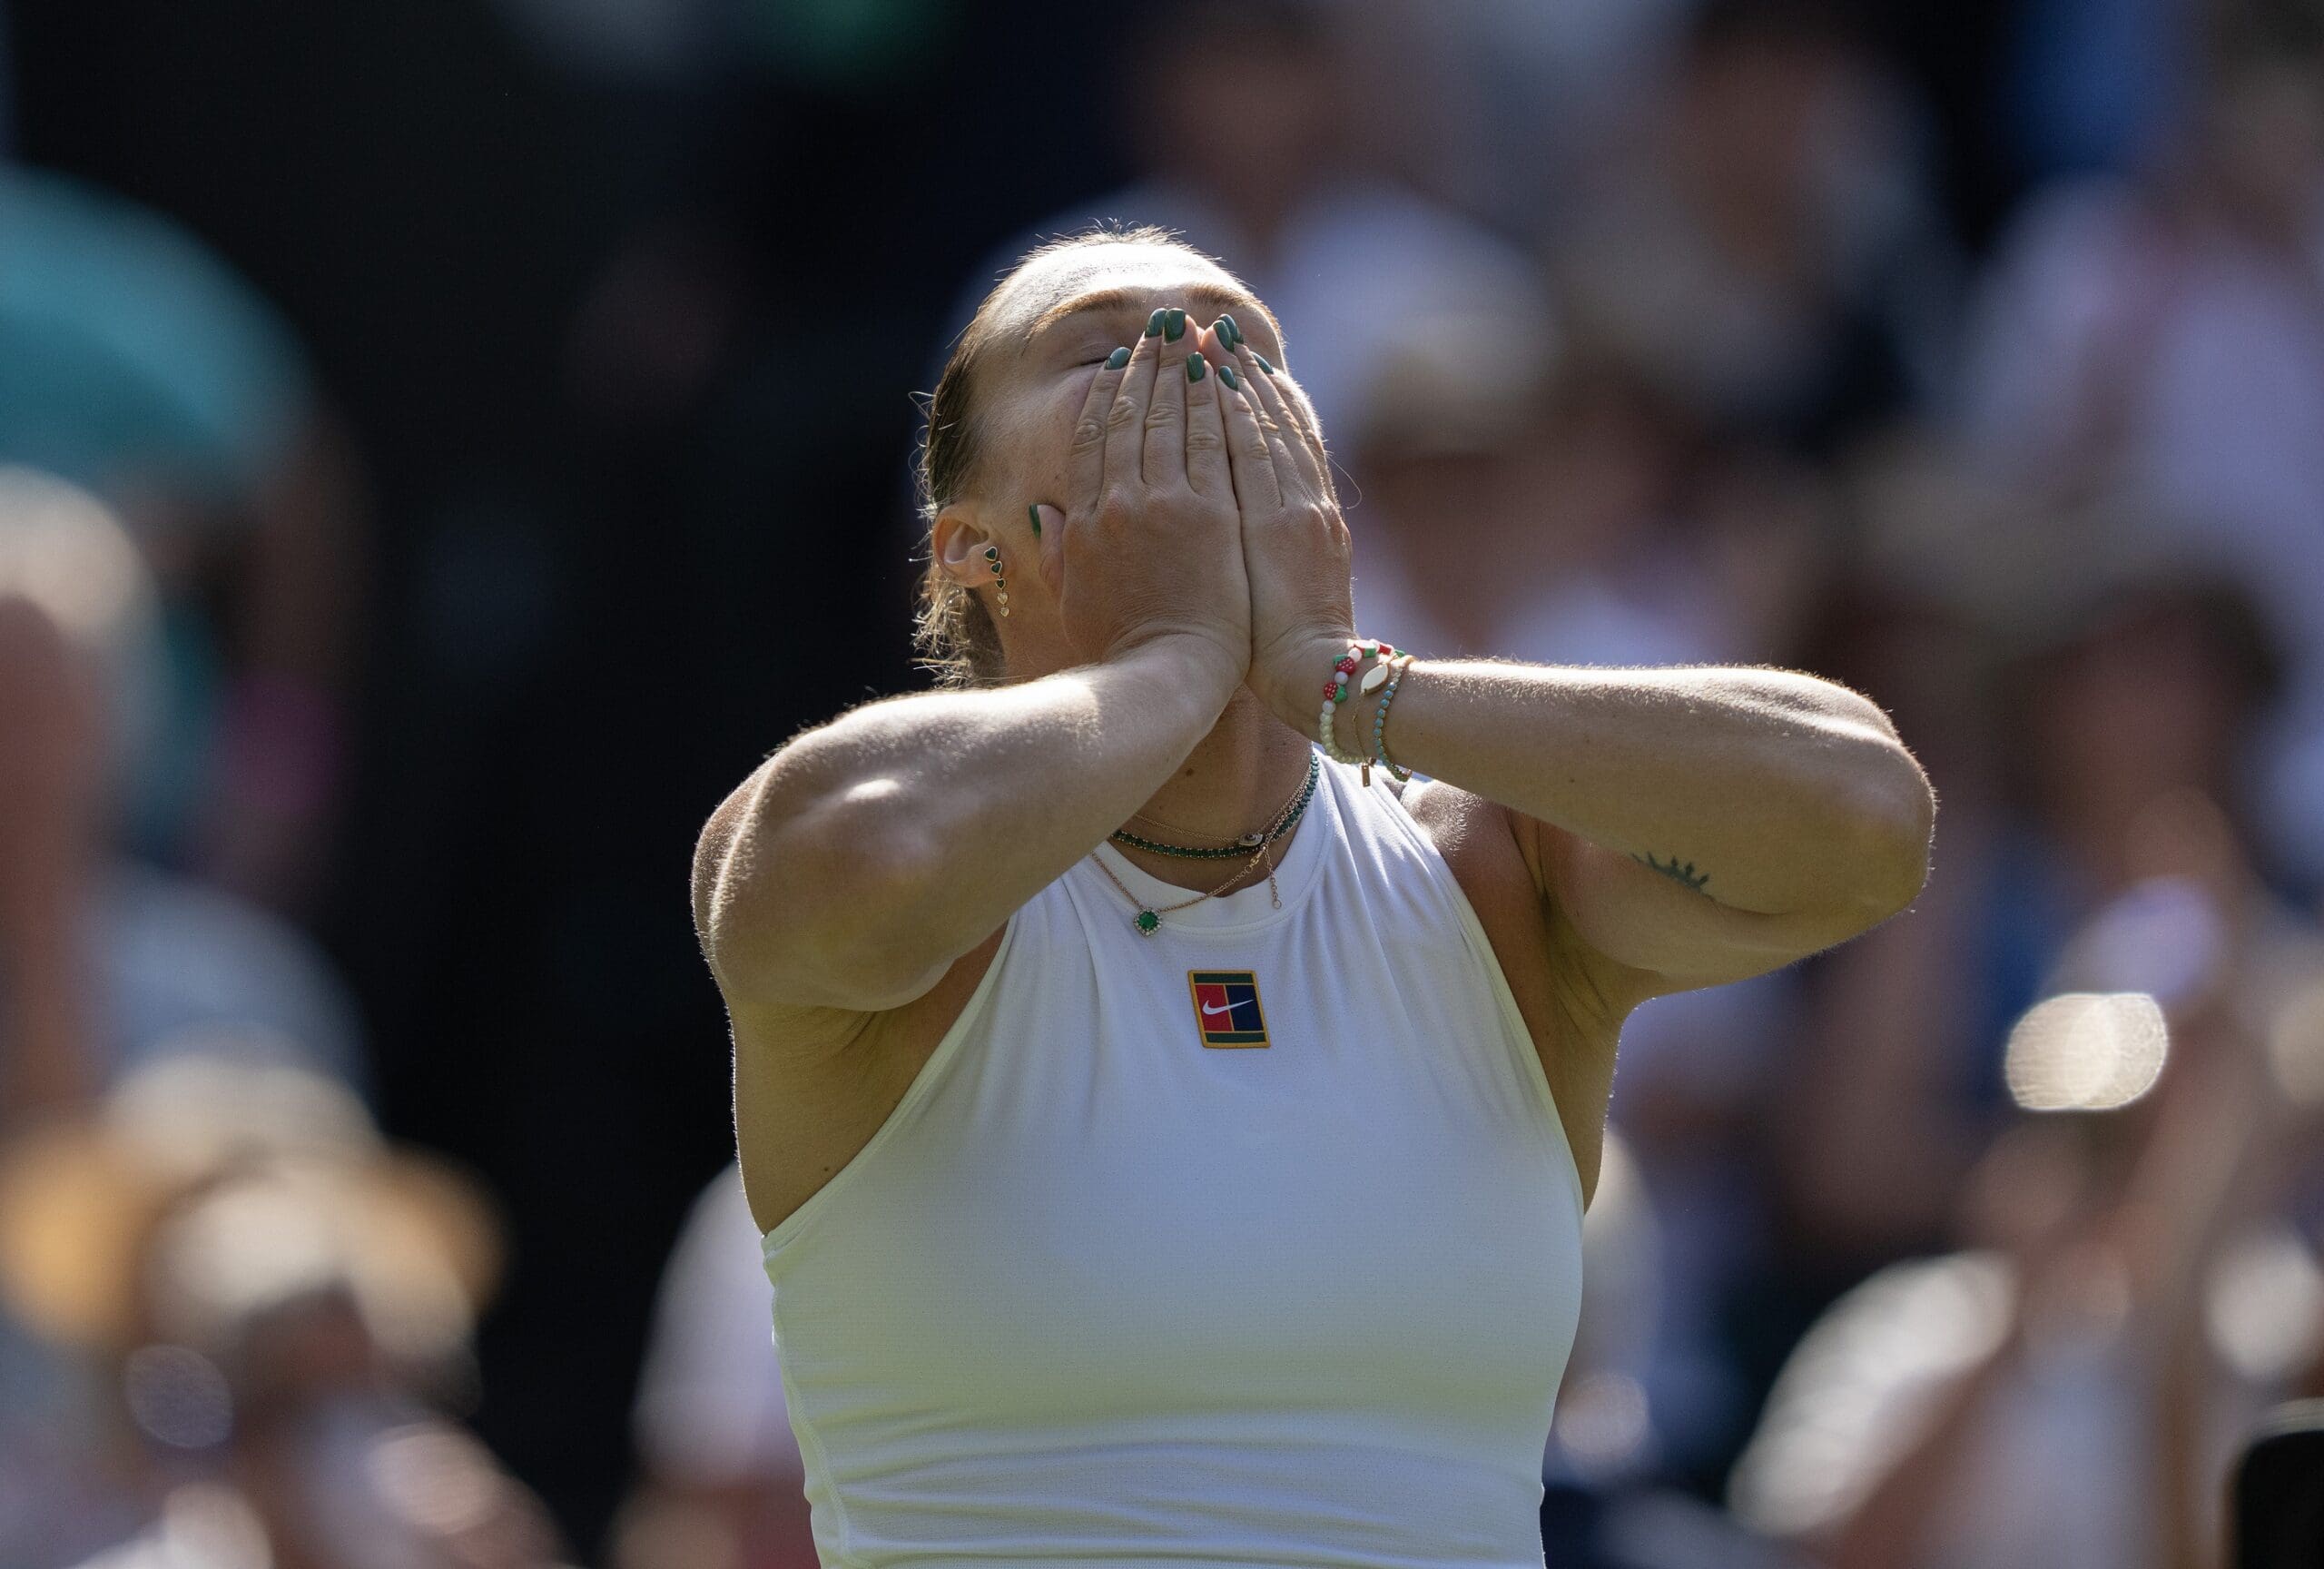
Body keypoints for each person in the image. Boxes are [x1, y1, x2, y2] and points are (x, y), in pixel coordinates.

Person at [690, 224, 1935, 1563]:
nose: (1192, 367)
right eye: (1104, 350)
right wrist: (1178, 662)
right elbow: (860, 864)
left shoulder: (1488, 872)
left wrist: (1348, 684)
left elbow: (1863, 818)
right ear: (970, 554)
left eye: (1247, 351)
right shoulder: (872, 832)